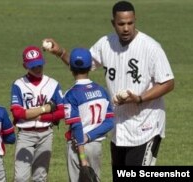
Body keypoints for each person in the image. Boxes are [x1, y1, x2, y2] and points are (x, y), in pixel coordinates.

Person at [43, 0, 174, 166]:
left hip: (145, 128)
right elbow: (81, 64)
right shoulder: (105, 44)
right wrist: (60, 52)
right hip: (118, 130)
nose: (126, 28)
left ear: (135, 21)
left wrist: (139, 98)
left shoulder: (151, 48)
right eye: (121, 24)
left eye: (130, 23)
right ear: (113, 23)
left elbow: (168, 82)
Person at [10, 45, 65, 182]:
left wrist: (41, 117)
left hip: (46, 134)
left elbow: (62, 111)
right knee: (20, 178)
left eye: (39, 65)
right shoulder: (19, 84)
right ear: (25, 66)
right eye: (33, 66)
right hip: (25, 134)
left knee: (40, 177)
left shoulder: (53, 84)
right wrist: (45, 108)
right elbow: (17, 113)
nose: (37, 68)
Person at [63, 48, 114, 181]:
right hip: (95, 146)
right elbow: (110, 122)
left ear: (70, 68)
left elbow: (76, 126)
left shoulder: (71, 94)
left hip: (78, 147)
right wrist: (90, 136)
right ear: (90, 67)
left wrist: (82, 158)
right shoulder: (102, 91)